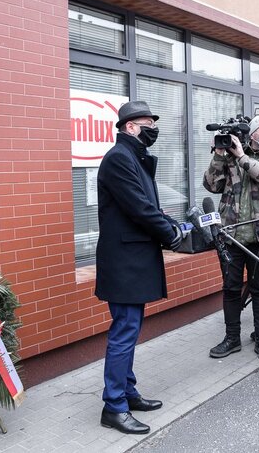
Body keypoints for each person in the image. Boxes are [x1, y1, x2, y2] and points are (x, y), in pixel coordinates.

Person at [95, 101, 183, 435]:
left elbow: (150, 206)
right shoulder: (119, 158)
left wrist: (174, 224)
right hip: (125, 265)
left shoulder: (133, 157)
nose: (153, 129)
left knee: (129, 331)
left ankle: (127, 393)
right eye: (147, 123)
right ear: (130, 127)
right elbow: (139, 208)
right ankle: (113, 406)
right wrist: (170, 233)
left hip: (133, 262)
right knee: (123, 333)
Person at [204, 115, 259, 364]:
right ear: (252, 134)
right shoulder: (229, 158)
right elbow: (211, 186)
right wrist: (219, 154)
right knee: (230, 288)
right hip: (233, 235)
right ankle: (232, 338)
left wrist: (242, 157)